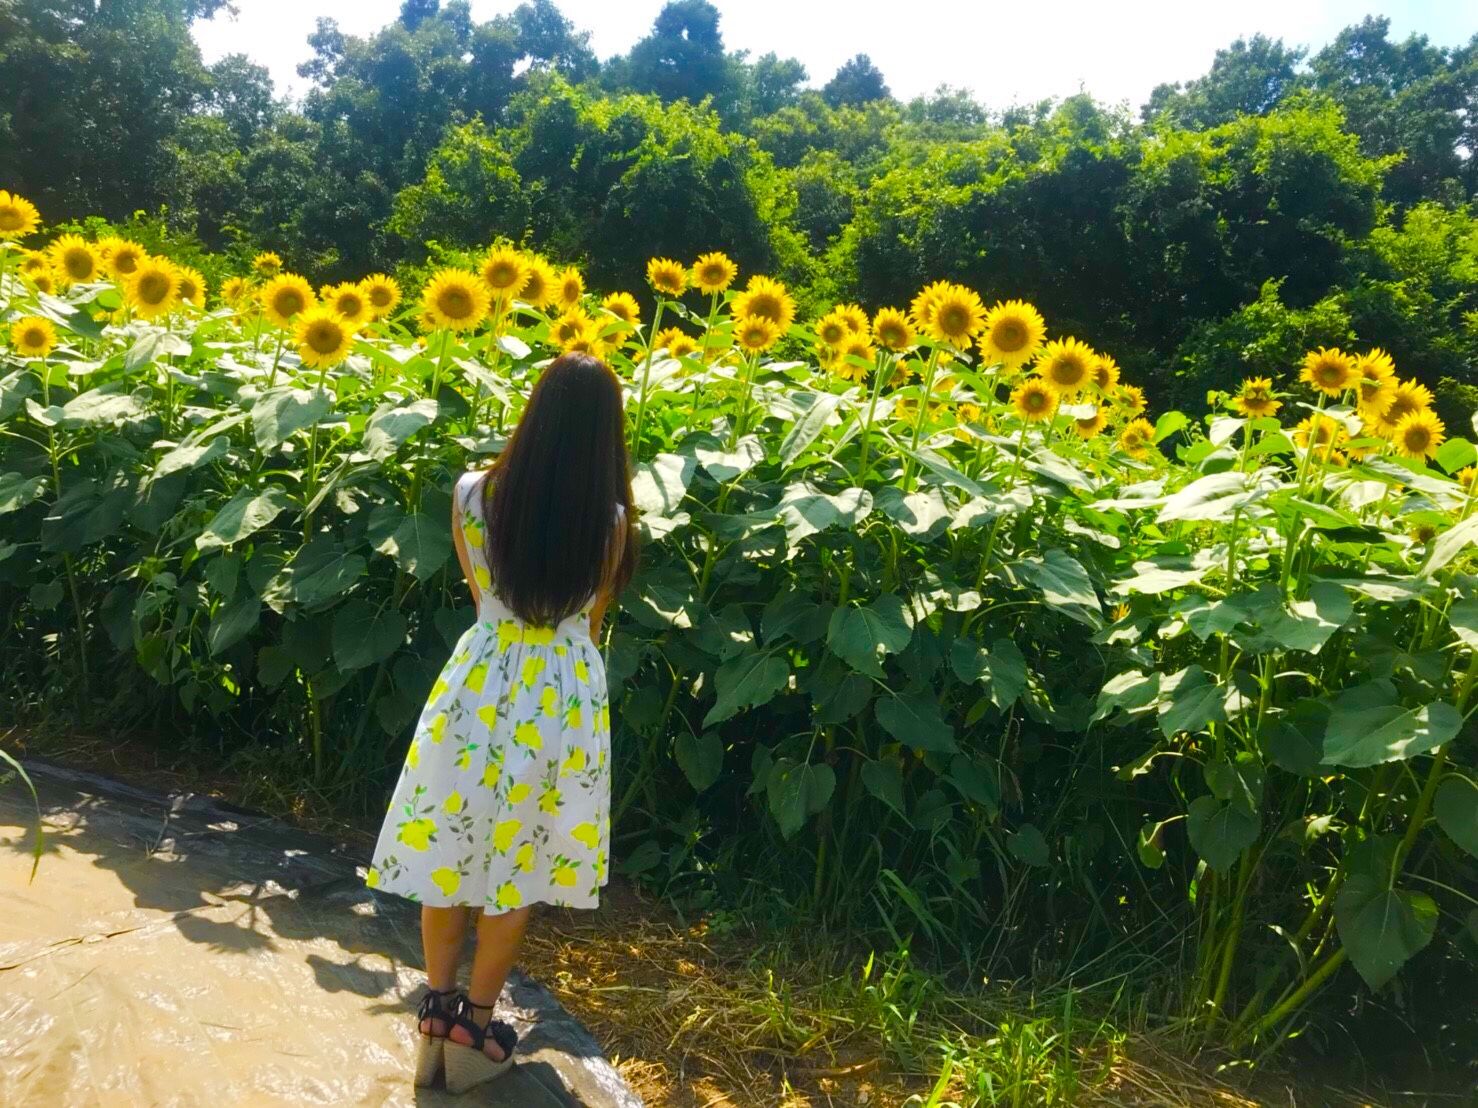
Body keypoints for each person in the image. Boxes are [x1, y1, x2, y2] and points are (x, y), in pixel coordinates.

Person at [364, 352, 639, 1093]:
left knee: (449, 847)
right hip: (559, 696)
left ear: (535, 412)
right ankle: (477, 1029)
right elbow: (590, 621)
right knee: (518, 865)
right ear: (604, 434)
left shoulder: (470, 494)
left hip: (479, 681)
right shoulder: (610, 523)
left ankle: (435, 1013)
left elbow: (480, 592)